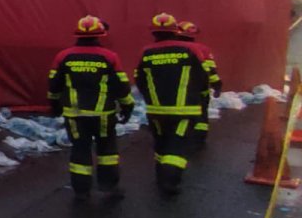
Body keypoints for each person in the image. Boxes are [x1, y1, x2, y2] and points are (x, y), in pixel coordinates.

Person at [47, 15, 135, 200]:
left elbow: (54, 85)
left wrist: (55, 106)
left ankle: (81, 191)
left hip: (75, 114)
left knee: (80, 148)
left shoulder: (63, 56)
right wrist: (127, 106)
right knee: (107, 151)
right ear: (100, 35)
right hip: (102, 114)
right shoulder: (109, 57)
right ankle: (109, 187)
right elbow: (121, 86)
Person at [135, 12, 209, 195]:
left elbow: (139, 80)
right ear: (175, 31)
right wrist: (201, 97)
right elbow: (202, 77)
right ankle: (170, 181)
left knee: (161, 142)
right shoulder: (190, 50)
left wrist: (150, 98)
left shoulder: (147, 52)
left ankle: (161, 176)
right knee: (177, 145)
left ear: (154, 33)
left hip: (156, 109)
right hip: (184, 109)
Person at [176, 21, 222, 146]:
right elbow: (210, 70)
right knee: (201, 114)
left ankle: (179, 136)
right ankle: (199, 139)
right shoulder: (203, 49)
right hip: (198, 89)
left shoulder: (171, 48)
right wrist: (217, 84)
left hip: (175, 89)